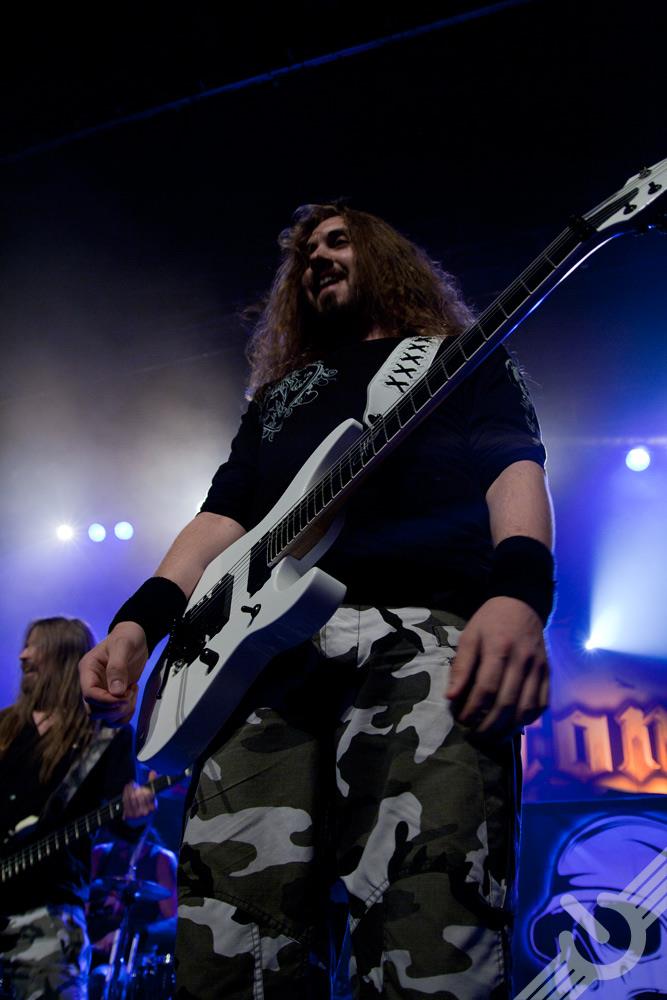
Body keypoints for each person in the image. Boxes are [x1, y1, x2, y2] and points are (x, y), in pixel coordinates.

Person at [79, 203, 554, 999]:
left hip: (418, 634)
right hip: (262, 668)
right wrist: (137, 624)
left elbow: (513, 468)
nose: (316, 259)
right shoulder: (278, 396)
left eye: (338, 241)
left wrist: (518, 595)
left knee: (427, 921)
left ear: (383, 255)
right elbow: (220, 521)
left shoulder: (456, 357)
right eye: (304, 253)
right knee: (231, 943)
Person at [0, 617, 156, 1000]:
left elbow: (121, 825)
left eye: (35, 646)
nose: (22, 655)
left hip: (49, 916)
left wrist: (137, 817)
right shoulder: (4, 727)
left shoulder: (106, 736)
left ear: (64, 656)